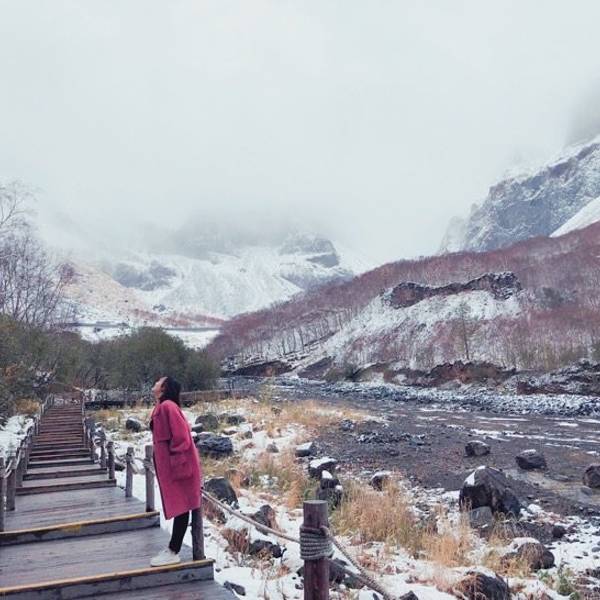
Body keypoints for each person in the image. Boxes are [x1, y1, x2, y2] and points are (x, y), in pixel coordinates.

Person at [148, 376, 202, 567]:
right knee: (181, 504)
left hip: (180, 467)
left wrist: (177, 463)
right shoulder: (162, 406)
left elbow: (181, 437)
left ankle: (173, 551)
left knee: (182, 505)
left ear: (164, 388)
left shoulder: (168, 407)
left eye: (158, 381)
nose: (155, 383)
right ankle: (173, 549)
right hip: (175, 467)